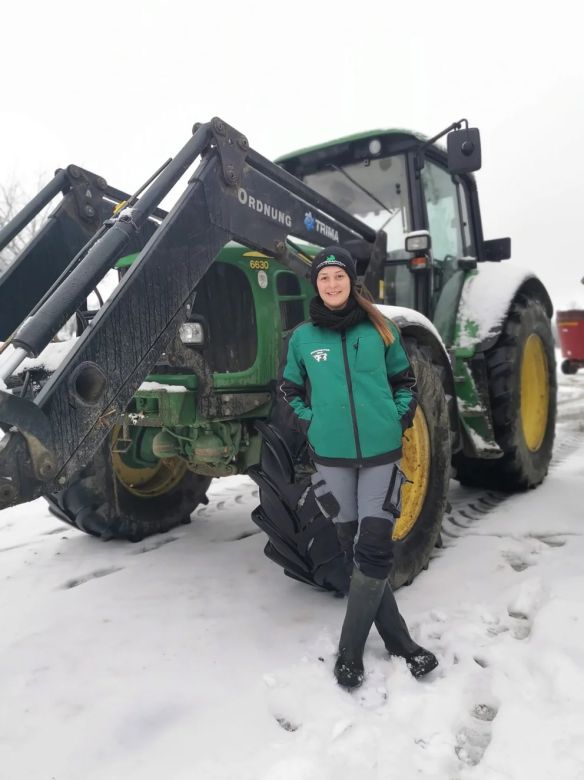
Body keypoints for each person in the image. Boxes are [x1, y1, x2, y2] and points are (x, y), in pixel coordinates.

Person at [279, 245, 438, 689]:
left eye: (339, 277)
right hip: (331, 458)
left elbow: (405, 381)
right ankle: (400, 641)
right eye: (324, 278)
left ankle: (350, 652)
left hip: (381, 454)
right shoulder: (304, 338)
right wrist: (311, 423)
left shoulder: (381, 329)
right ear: (317, 285)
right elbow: (288, 391)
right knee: (354, 550)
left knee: (374, 548)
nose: (332, 285)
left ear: (351, 282)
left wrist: (397, 416)